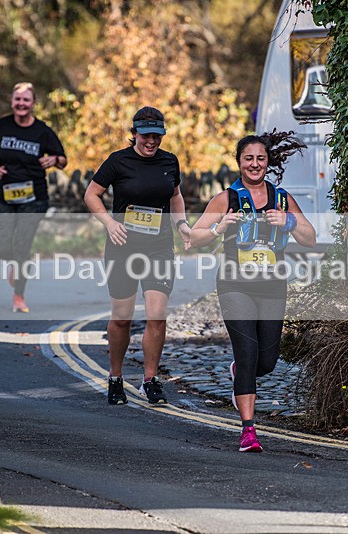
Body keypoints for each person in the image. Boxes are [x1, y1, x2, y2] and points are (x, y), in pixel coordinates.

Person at [189, 132, 316, 452]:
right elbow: (195, 237)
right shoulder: (226, 199)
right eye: (249, 158)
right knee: (247, 355)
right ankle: (248, 430)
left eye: (260, 158)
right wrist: (220, 228)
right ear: (239, 162)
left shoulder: (283, 199)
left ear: (268, 162)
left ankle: (239, 373)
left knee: (268, 361)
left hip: (272, 286)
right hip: (235, 285)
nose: (255, 164)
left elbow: (310, 237)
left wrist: (288, 222)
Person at [84, 106, 191, 405]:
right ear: (134, 134)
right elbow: (91, 194)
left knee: (157, 314)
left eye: (157, 135)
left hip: (159, 246)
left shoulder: (170, 161)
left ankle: (149, 379)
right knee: (122, 318)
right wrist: (109, 222)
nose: (151, 141)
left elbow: (176, 196)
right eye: (146, 135)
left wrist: (181, 224)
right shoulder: (118, 161)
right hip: (123, 246)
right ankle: (115, 377)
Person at [0, 82, 67, 313]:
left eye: (26, 100)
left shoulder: (42, 131)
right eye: (17, 99)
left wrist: (53, 160)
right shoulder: (1, 126)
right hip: (5, 195)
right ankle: (18, 260)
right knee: (1, 246)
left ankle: (19, 296)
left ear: (33, 104)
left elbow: (62, 159)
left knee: (22, 243)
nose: (21, 104)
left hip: (34, 197)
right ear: (12, 102)